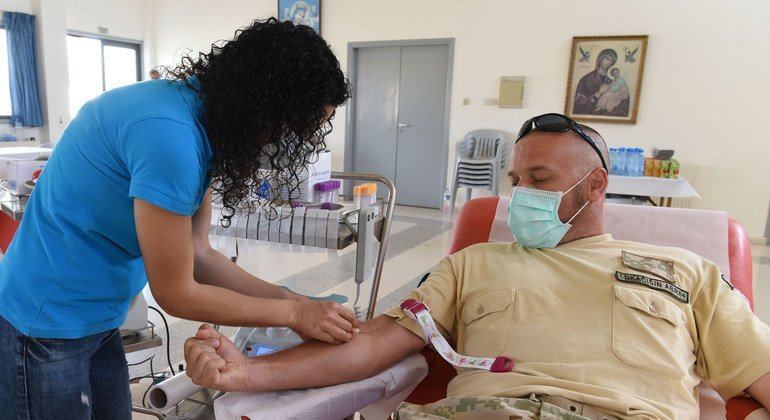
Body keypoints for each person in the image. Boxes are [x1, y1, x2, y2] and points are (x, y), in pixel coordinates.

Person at [184, 113, 770, 419]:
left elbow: (759, 376)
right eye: (516, 182)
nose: (520, 197)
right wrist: (246, 374)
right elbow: (376, 342)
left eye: (540, 181)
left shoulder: (684, 271)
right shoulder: (474, 263)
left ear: (595, 186)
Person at [0, 18, 356, 419]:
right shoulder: (170, 136)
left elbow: (199, 254)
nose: (292, 143)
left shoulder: (202, 123)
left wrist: (294, 300)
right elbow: (176, 293)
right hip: (46, 320)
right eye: (295, 128)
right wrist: (293, 315)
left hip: (97, 315)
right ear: (265, 104)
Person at [572, 48, 628, 116]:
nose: (609, 63)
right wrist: (598, 94)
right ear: (600, 59)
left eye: (612, 61)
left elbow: (623, 98)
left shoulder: (613, 81)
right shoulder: (586, 80)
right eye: (607, 59)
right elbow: (578, 106)